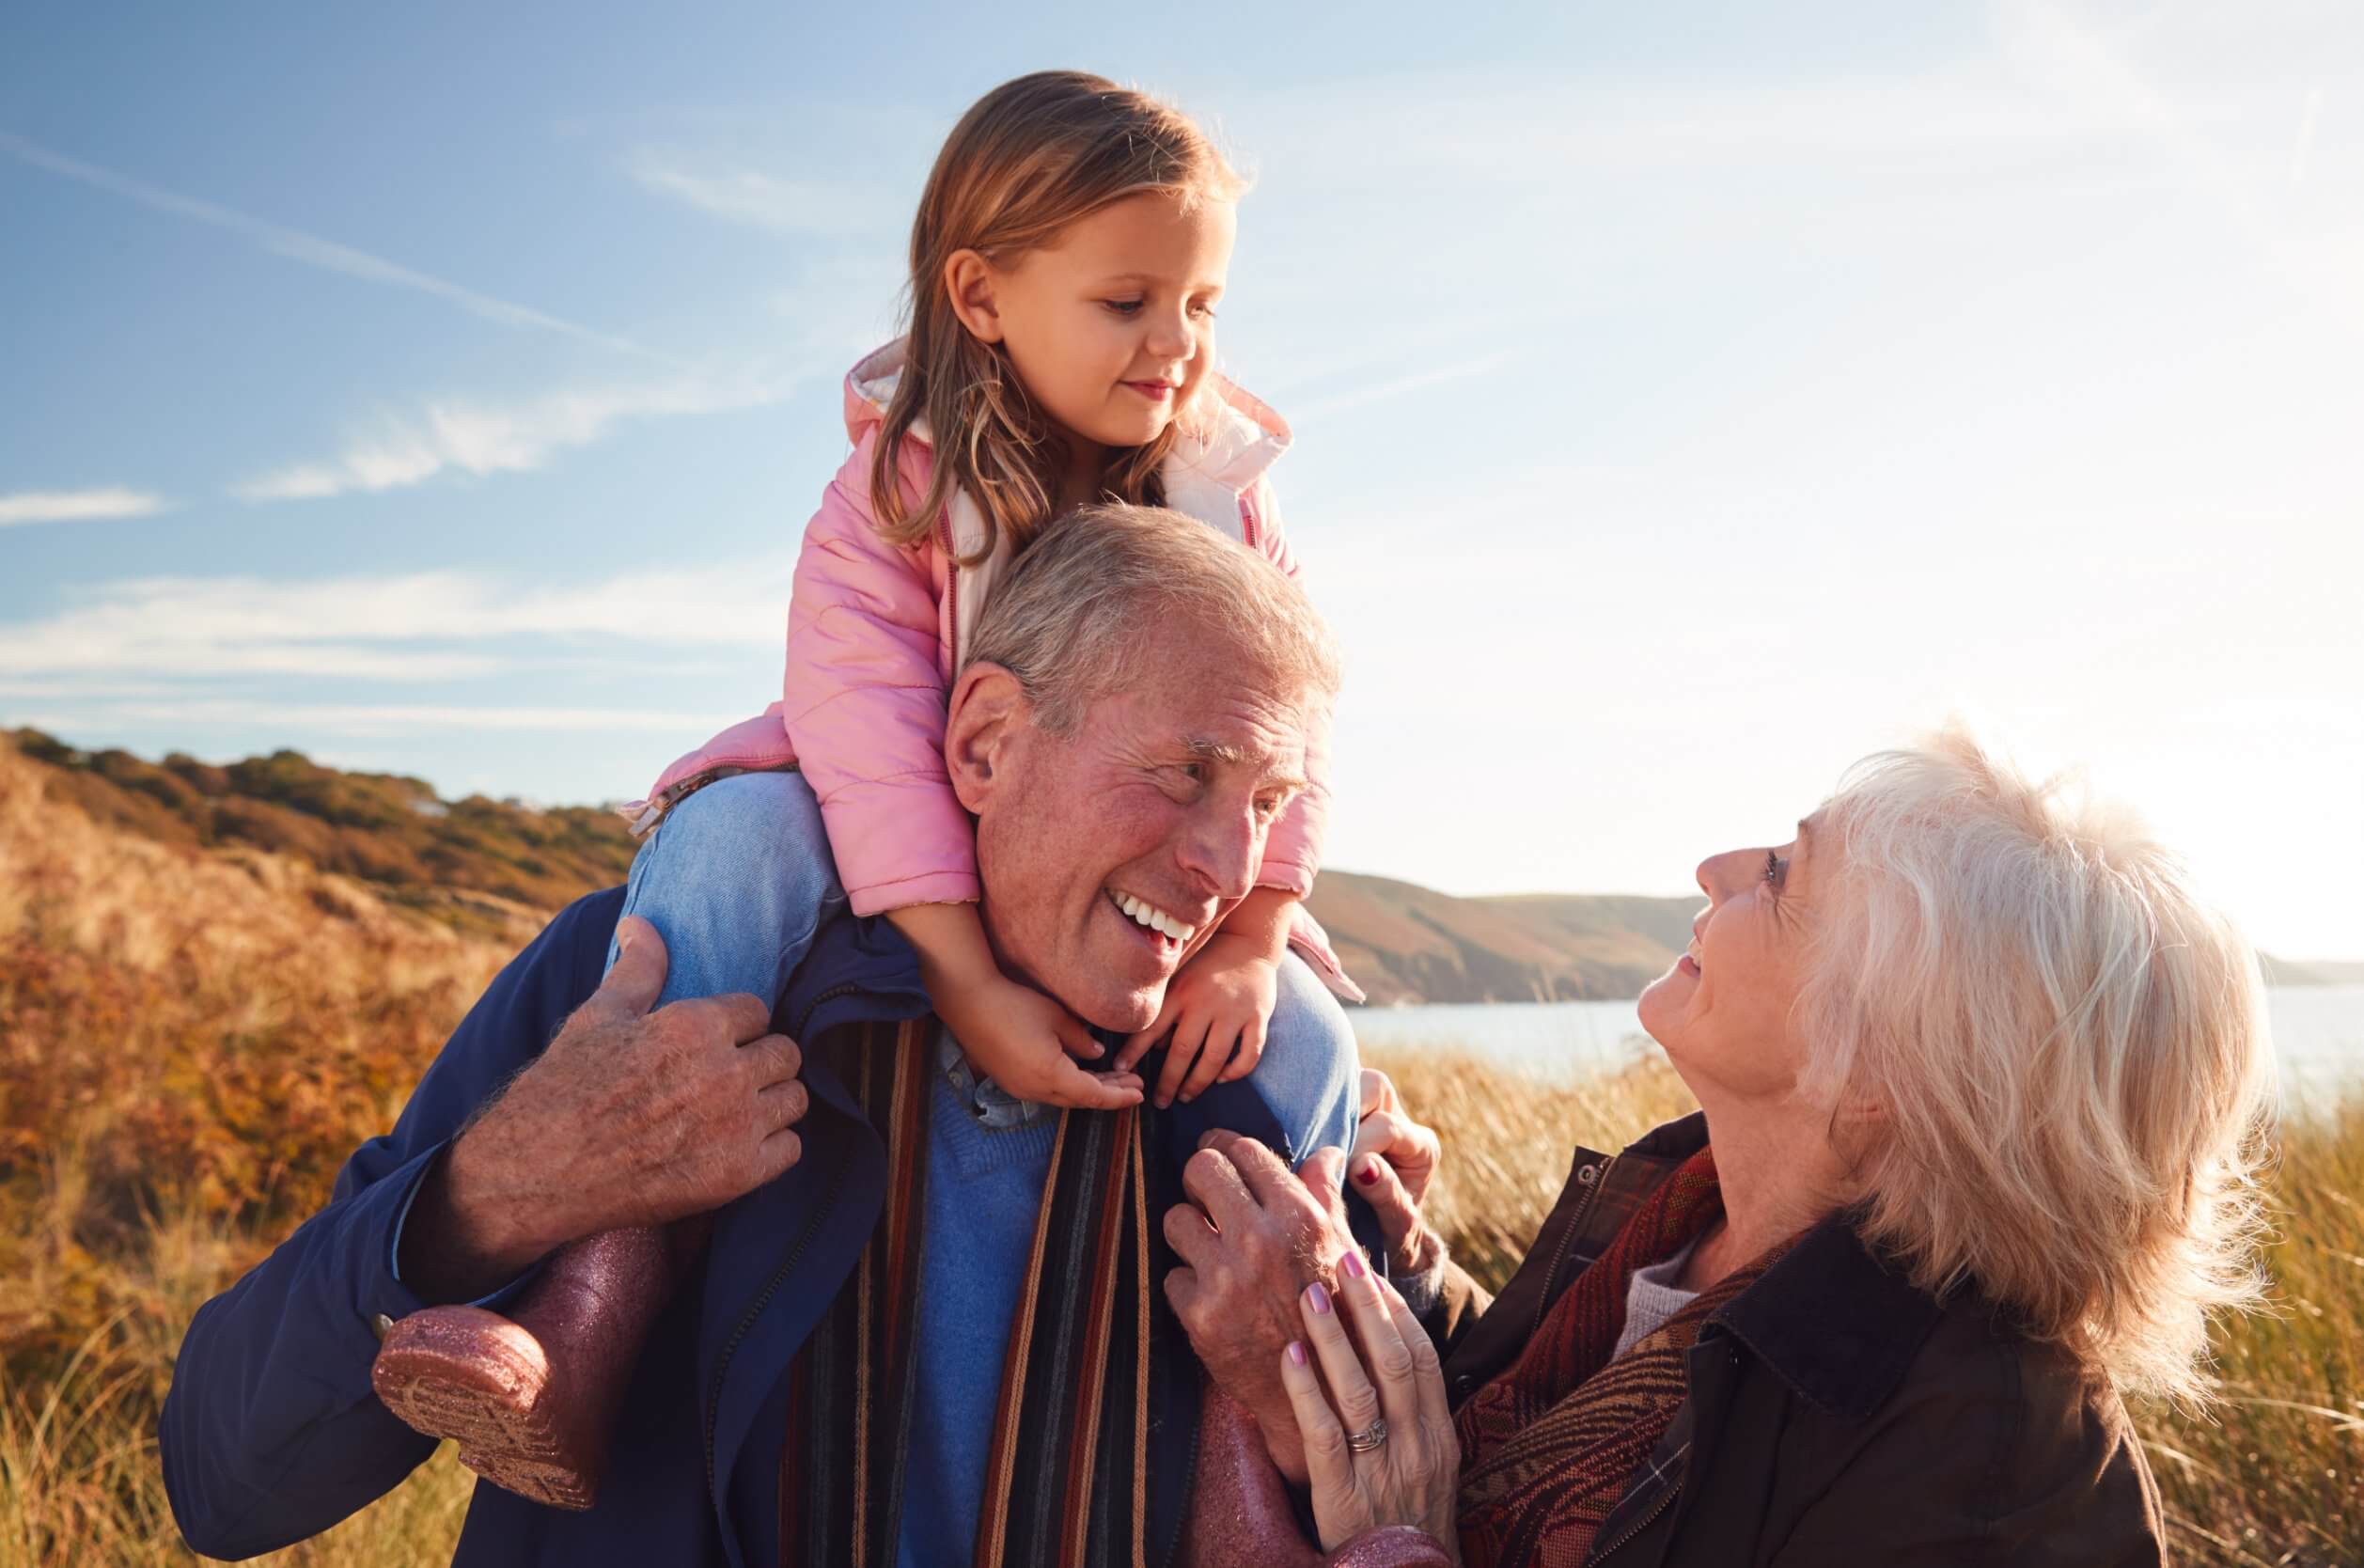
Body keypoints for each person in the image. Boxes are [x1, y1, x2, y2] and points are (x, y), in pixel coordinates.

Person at [368, 69, 1363, 1507]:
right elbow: (865, 734)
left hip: (1109, 862)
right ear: (979, 296)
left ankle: (1244, 1475)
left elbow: (1292, 733)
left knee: (1310, 1043)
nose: (1174, 345)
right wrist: (962, 978)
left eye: (1200, 307)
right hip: (881, 825)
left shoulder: (1226, 503)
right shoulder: (895, 497)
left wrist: (1262, 928)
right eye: (1127, 301)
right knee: (728, 846)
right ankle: (595, 1293)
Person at [160, 507, 1365, 1567]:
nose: (1230, 865)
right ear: (984, 742)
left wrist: (1311, 1409)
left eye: (1266, 801)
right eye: (1181, 770)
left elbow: (1436, 1488)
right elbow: (224, 1485)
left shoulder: (1263, 1085)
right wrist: (493, 1196)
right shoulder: (646, 975)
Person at [1165, 730, 2276, 1566]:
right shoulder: (1688, 1215)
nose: (1714, 867)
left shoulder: (1991, 1465)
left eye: (1785, 878)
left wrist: (1395, 1544)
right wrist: (1395, 1281)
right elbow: (1571, 1438)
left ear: (1882, 1065)